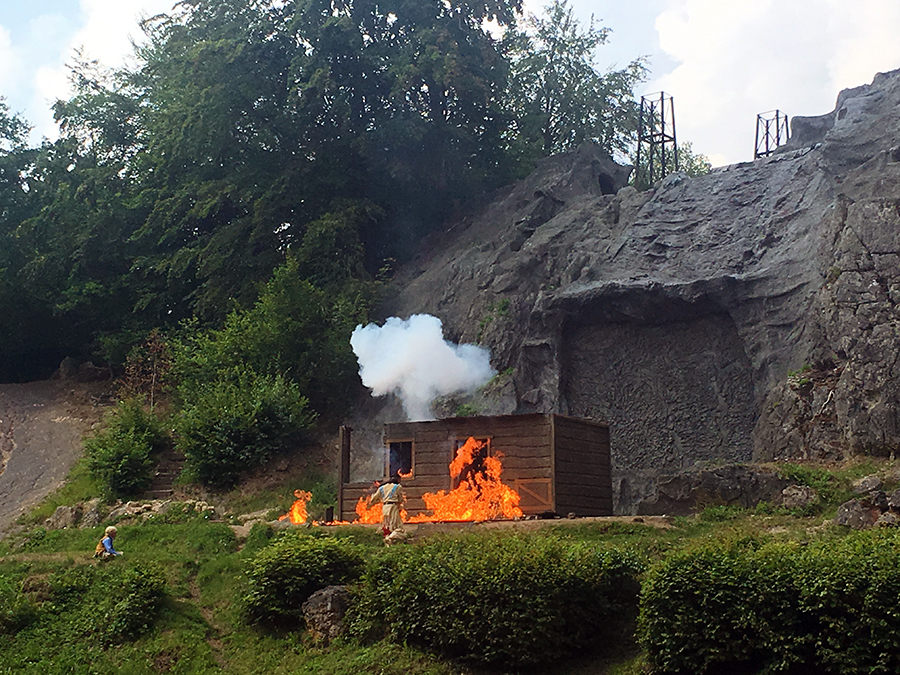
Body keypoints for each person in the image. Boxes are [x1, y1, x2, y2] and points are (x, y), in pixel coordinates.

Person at [368, 474, 407, 545]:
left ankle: (388, 543)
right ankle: (389, 538)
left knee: (387, 527)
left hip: (385, 507)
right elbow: (400, 499)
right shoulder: (397, 486)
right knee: (398, 527)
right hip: (393, 507)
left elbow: (373, 499)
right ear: (398, 480)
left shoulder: (382, 488)